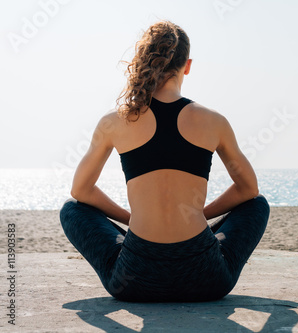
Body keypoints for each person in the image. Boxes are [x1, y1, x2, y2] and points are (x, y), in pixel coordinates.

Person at [60, 20, 270, 302]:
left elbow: (81, 192)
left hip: (134, 283)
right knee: (258, 205)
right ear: (188, 65)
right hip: (207, 280)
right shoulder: (214, 121)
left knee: (72, 209)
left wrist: (131, 219)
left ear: (144, 61)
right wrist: (199, 216)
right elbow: (248, 190)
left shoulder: (115, 121)